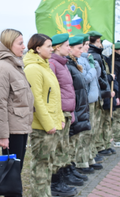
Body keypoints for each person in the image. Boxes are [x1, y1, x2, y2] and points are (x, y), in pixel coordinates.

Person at [24, 34, 76, 197]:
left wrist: (59, 119)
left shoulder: (44, 66)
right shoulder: (33, 68)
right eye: (48, 46)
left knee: (48, 165)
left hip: (52, 124)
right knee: (41, 166)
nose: (51, 49)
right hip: (42, 128)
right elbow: (37, 100)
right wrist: (49, 124)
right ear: (38, 49)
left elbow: (55, 98)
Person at [0, 29, 34, 197]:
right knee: (10, 177)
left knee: (16, 174)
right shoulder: (2, 68)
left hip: (20, 127)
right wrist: (2, 135)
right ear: (9, 45)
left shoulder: (14, 65)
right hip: (11, 131)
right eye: (20, 43)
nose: (24, 47)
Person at [49, 33, 83, 187]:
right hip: (60, 111)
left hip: (67, 110)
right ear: (57, 47)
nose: (69, 48)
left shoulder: (62, 63)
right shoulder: (53, 64)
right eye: (66, 45)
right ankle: (57, 179)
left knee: (65, 146)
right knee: (59, 147)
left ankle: (65, 173)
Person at [66, 36, 93, 176]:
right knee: (72, 141)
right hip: (75, 106)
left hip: (80, 105)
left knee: (77, 139)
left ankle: (74, 166)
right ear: (69, 48)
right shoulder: (69, 66)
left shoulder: (74, 64)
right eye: (79, 48)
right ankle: (72, 166)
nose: (82, 51)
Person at [77, 34, 104, 169]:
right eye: (84, 45)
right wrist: (93, 69)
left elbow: (97, 75)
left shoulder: (86, 59)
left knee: (92, 131)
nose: (87, 47)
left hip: (93, 98)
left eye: (87, 44)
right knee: (85, 133)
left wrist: (95, 64)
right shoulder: (79, 61)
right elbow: (85, 79)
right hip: (86, 99)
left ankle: (90, 156)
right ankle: (83, 160)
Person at [87, 31, 116, 156]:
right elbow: (99, 76)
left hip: (102, 91)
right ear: (97, 41)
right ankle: (100, 146)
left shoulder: (98, 54)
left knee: (102, 120)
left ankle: (103, 144)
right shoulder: (95, 55)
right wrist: (108, 81)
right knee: (99, 121)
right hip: (100, 91)